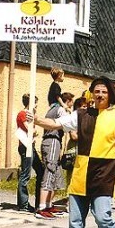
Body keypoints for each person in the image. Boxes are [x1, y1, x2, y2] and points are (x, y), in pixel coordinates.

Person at [31, 76, 115, 228]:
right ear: (92, 94)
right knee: (76, 222)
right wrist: (37, 120)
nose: (100, 94)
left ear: (110, 94)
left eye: (104, 91)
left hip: (103, 174)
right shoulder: (80, 114)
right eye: (97, 91)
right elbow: (56, 124)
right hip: (80, 174)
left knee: (103, 217)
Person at [36, 92, 74, 220]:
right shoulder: (61, 110)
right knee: (50, 171)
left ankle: (48, 204)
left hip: (50, 141)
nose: (71, 106)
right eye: (71, 103)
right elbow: (67, 126)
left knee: (55, 172)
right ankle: (42, 207)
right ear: (67, 101)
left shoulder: (51, 109)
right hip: (52, 140)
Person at [16, 94, 44, 213]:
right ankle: (23, 204)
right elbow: (30, 130)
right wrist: (34, 130)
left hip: (30, 146)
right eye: (36, 102)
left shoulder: (30, 115)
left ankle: (39, 202)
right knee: (25, 175)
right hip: (25, 146)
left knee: (41, 171)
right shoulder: (23, 114)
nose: (37, 105)